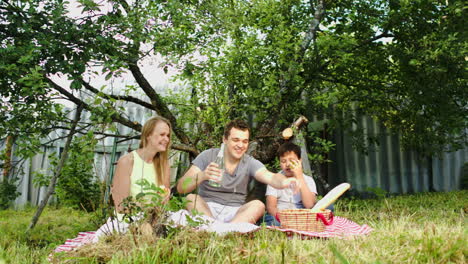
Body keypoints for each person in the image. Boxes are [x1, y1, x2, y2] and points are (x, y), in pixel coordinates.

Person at [176, 119, 299, 224]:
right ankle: (216, 228)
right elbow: (181, 187)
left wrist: (285, 182)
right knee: (191, 198)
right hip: (207, 208)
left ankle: (224, 230)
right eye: (236, 140)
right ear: (225, 139)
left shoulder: (249, 162)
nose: (241, 145)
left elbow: (270, 177)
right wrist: (202, 175)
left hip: (236, 213)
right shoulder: (207, 156)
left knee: (258, 205)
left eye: (245, 141)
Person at [111, 116, 172, 215]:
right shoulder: (127, 162)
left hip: (155, 219)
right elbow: (121, 206)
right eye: (162, 135)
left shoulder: (163, 165)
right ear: (148, 135)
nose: (166, 139)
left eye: (168, 135)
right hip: (128, 220)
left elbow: (164, 204)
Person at [264, 142, 317, 226]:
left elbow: (310, 205)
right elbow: (271, 208)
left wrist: (299, 176)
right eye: (283, 161)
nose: (288, 164)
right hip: (280, 216)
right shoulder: (274, 179)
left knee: (328, 208)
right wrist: (286, 220)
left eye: (291, 161)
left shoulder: (308, 180)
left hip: (302, 216)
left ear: (299, 161)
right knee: (271, 220)